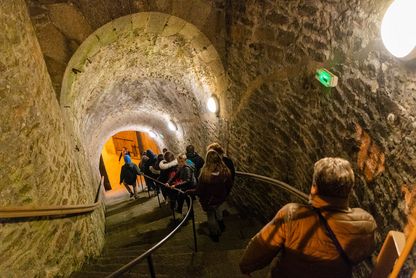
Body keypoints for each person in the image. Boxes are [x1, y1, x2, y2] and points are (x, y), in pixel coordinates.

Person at [239, 157, 377, 278]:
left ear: (314, 188)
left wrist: (247, 266)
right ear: (349, 190)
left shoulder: (292, 215)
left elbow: (263, 245)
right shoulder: (365, 224)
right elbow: (363, 253)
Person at [192, 150, 233, 242]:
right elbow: (229, 185)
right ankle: (221, 225)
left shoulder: (205, 175)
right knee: (218, 210)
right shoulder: (225, 172)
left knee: (211, 217)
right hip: (220, 199)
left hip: (209, 201)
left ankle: (214, 235)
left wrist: (190, 192)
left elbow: (199, 191)